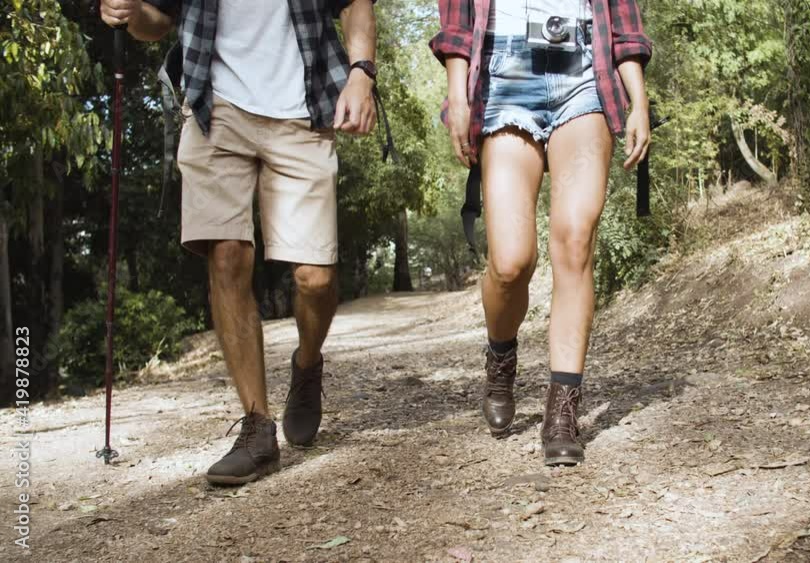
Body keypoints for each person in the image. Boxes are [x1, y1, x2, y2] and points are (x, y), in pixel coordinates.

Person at [100, 0, 380, 485]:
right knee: (227, 256)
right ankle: (257, 427)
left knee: (315, 278)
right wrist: (128, 12)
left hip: (302, 110)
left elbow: (356, 3)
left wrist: (361, 74)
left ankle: (307, 362)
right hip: (215, 108)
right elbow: (157, 22)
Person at [430, 0, 651, 466]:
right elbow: (456, 21)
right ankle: (501, 357)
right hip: (504, 76)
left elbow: (625, 22)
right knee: (511, 262)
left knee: (575, 240)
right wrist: (457, 94)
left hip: (585, 74)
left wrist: (639, 100)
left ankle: (563, 410)